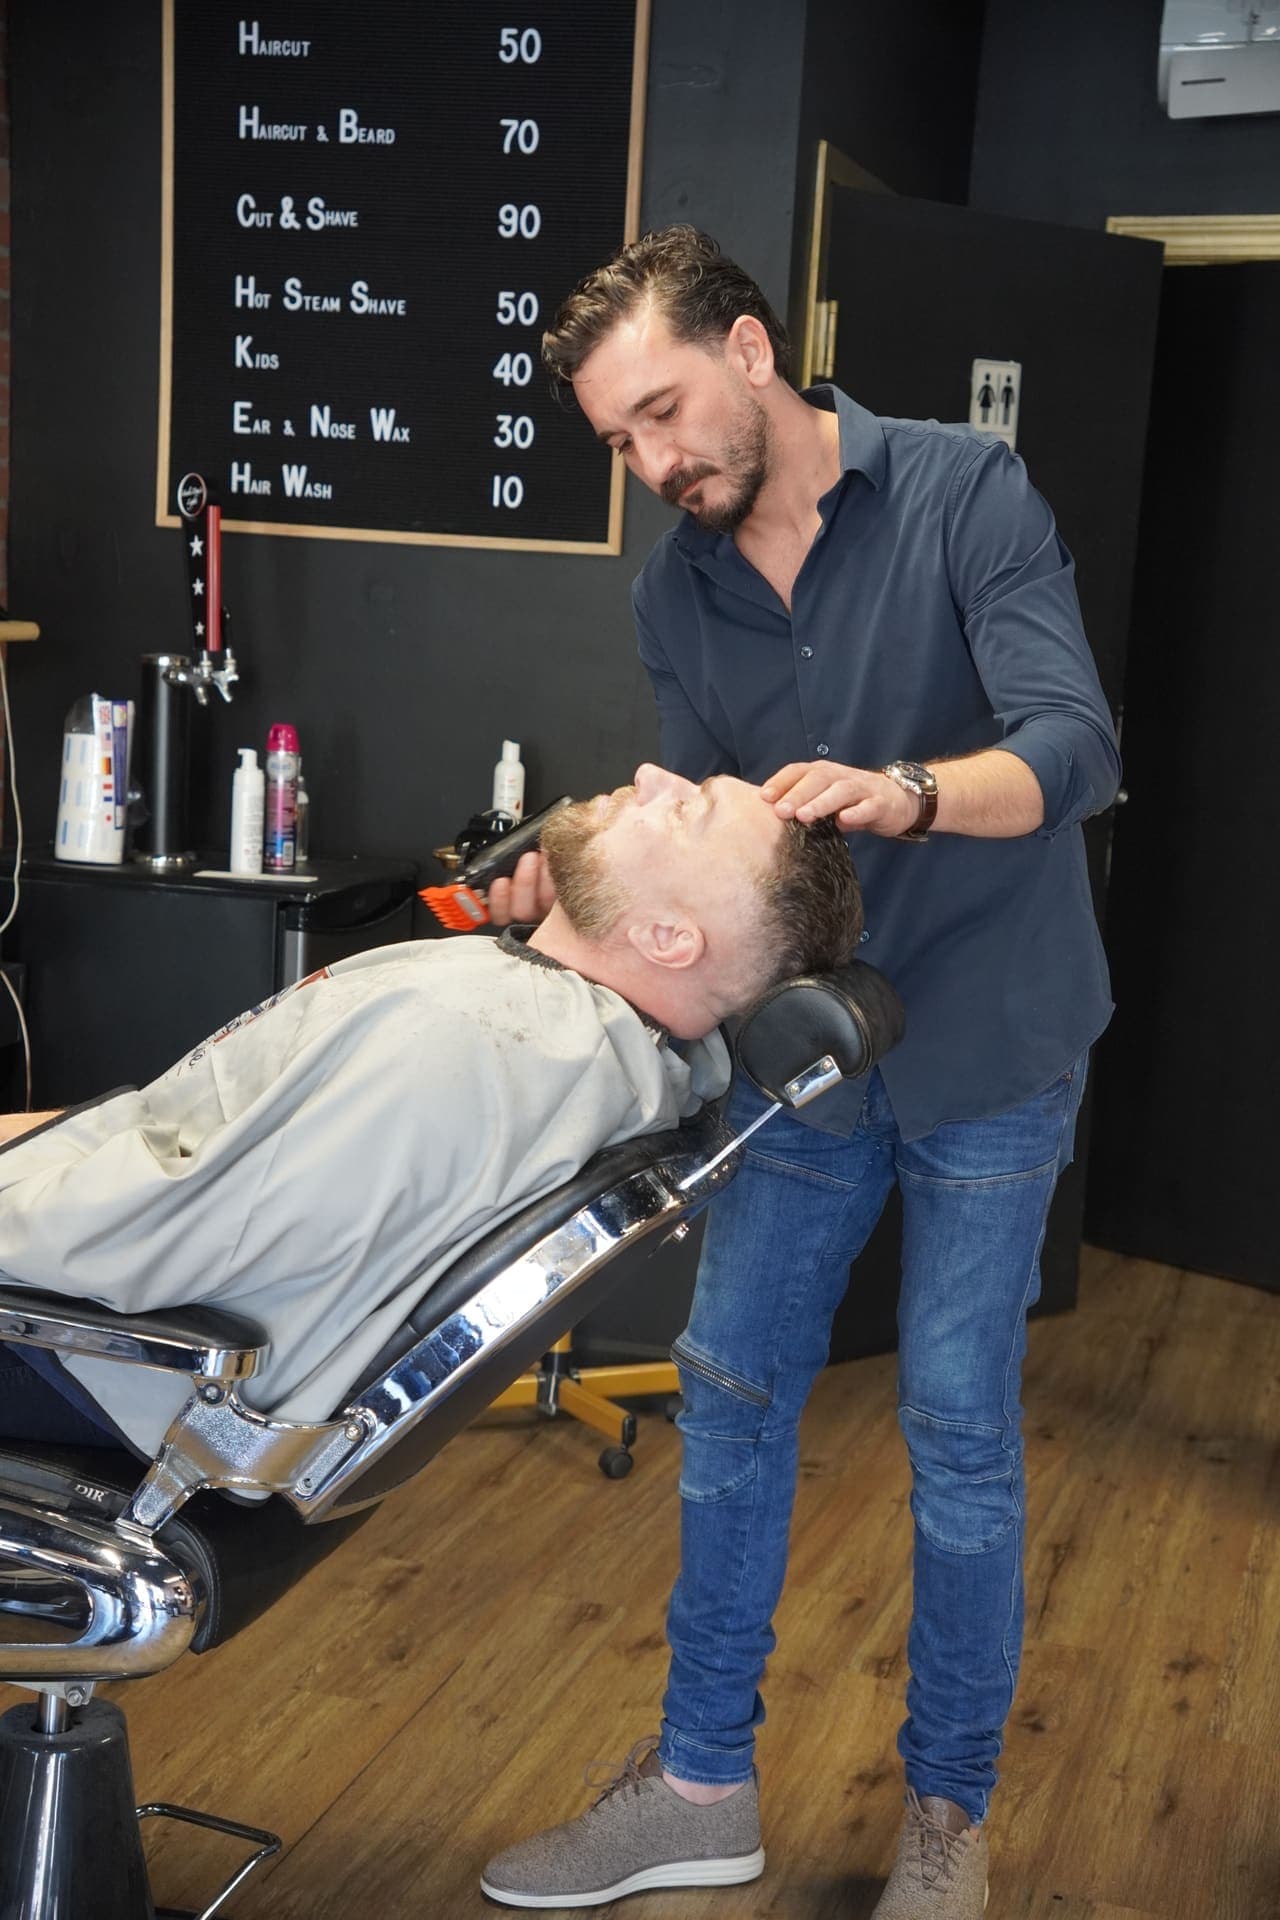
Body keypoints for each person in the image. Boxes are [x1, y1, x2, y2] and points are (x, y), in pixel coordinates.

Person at [481, 229, 1120, 1917]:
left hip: (992, 1036)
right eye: (620, 441)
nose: (653, 463)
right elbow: (691, 857)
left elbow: (1075, 745)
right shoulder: (672, 587)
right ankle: (699, 1786)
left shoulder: (965, 494)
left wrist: (907, 789)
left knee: (960, 1427)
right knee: (735, 1393)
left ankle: (948, 1822)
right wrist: (576, 884)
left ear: (753, 350)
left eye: (666, 413)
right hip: (803, 1058)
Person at [0, 766, 861, 1457]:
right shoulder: (590, 1052)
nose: (650, 775)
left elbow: (141, 1242)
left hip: (92, 1367)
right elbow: (192, 1151)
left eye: (689, 812)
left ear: (669, 939)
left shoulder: (463, 1040)